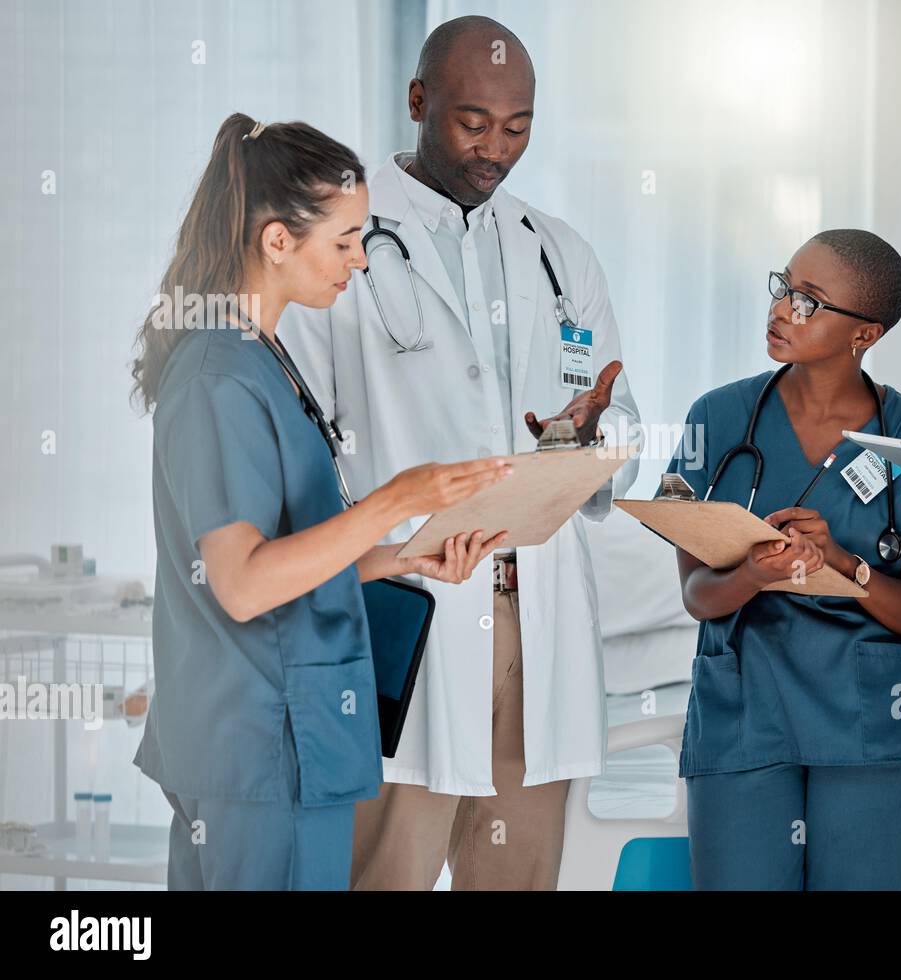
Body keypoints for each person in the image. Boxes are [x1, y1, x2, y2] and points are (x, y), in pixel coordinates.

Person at [279, 16, 639, 890]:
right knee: (382, 874)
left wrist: (591, 439)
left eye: (517, 128)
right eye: (473, 123)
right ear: (417, 101)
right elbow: (298, 437)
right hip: (411, 605)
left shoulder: (560, 253)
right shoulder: (346, 244)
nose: (495, 149)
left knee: (516, 876)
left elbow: (620, 419)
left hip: (533, 613)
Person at [130, 113, 509, 890]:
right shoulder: (216, 378)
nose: (358, 264)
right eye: (342, 242)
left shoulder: (266, 360)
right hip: (254, 747)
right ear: (277, 241)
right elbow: (242, 583)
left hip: (297, 741)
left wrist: (409, 554)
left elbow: (297, 551)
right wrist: (394, 498)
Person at [663, 230, 901, 890]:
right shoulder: (716, 419)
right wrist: (752, 573)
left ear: (866, 334)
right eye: (783, 287)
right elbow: (696, 595)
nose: (782, 310)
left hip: (876, 735)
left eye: (809, 301)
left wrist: (843, 566)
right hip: (744, 719)